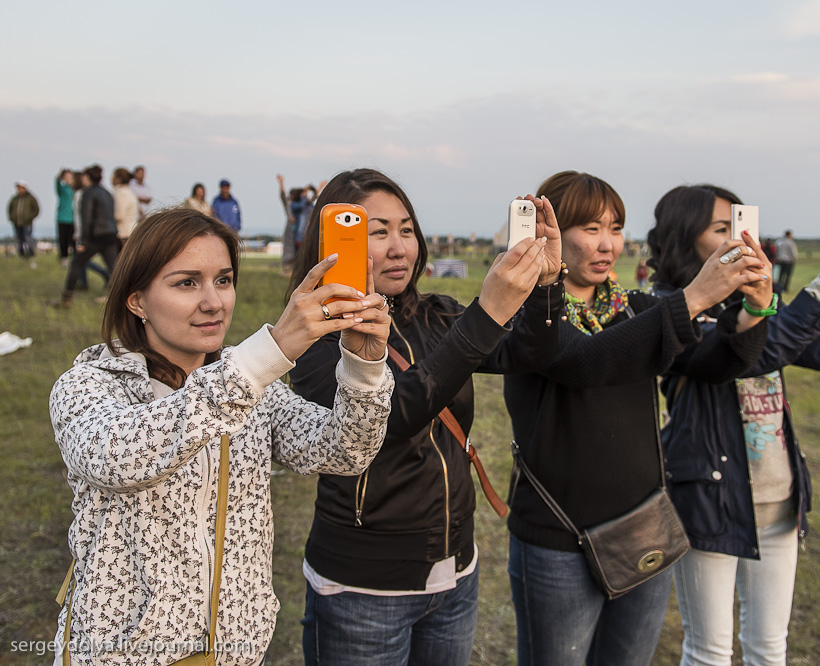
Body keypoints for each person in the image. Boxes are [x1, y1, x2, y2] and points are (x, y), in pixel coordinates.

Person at [50, 207, 394, 666]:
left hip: (235, 652)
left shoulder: (253, 385)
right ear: (136, 301)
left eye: (224, 280)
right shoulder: (87, 386)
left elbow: (343, 450)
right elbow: (120, 459)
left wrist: (362, 367)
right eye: (186, 282)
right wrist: (265, 356)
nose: (213, 302)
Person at [290, 168, 562, 666]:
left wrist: (544, 287)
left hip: (456, 572)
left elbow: (531, 353)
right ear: (335, 242)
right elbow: (384, 426)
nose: (398, 248)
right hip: (363, 589)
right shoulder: (314, 337)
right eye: (377, 232)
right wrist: (485, 314)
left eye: (407, 229)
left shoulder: (435, 314)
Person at [504, 171, 772, 666]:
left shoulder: (635, 309)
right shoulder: (530, 319)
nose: (607, 244)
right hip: (560, 538)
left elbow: (715, 364)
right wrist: (692, 298)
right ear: (551, 232)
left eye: (616, 227)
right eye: (589, 228)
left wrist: (755, 309)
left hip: (643, 528)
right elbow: (585, 361)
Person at [647, 184, 820, 666]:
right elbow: (747, 357)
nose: (742, 240)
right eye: (723, 229)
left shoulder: (758, 297)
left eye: (742, 228)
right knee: (710, 652)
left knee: (770, 649)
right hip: (708, 499)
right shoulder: (666, 311)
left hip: (779, 498)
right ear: (685, 239)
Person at [56, 165, 119, 307]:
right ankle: (117, 300)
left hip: (95, 236)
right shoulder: (107, 192)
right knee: (114, 269)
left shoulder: (88, 193)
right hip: (110, 234)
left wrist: (83, 241)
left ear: (87, 177)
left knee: (76, 264)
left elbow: (86, 217)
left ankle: (66, 299)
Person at [8, 180, 39, 260]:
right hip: (17, 223)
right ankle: (22, 254)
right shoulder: (15, 199)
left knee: (27, 238)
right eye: (18, 188)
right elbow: (10, 209)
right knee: (19, 239)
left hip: (27, 223)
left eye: (21, 188)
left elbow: (36, 209)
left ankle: (30, 253)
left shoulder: (31, 198)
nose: (19, 189)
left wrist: (30, 217)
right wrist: (12, 218)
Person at [111, 167, 139, 247]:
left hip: (123, 233)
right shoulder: (129, 191)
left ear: (118, 179)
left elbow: (119, 215)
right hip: (130, 231)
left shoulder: (121, 193)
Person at [56, 169, 76, 267]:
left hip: (74, 219)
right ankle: (64, 259)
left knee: (73, 240)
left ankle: (74, 259)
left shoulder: (75, 189)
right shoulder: (62, 188)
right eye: (66, 176)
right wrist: (61, 175)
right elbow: (56, 182)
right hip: (63, 218)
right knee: (63, 240)